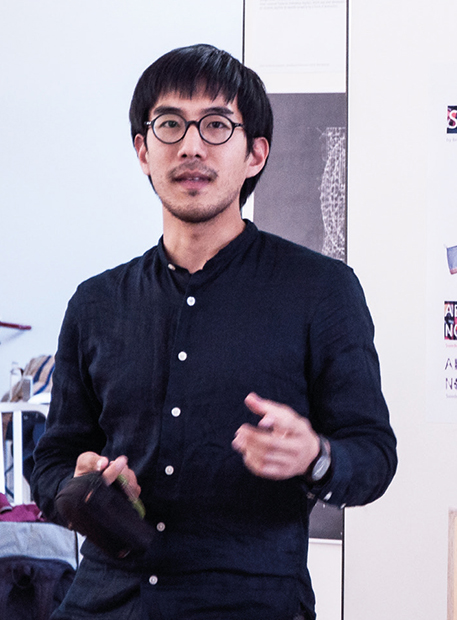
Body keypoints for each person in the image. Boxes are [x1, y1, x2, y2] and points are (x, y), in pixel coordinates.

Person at [31, 43, 397, 620]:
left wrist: (315, 456)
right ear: (143, 150)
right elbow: (51, 461)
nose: (191, 146)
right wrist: (78, 485)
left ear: (255, 154)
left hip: (250, 602)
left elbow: (373, 456)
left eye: (217, 125)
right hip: (105, 601)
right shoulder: (96, 302)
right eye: (170, 124)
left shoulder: (321, 290)